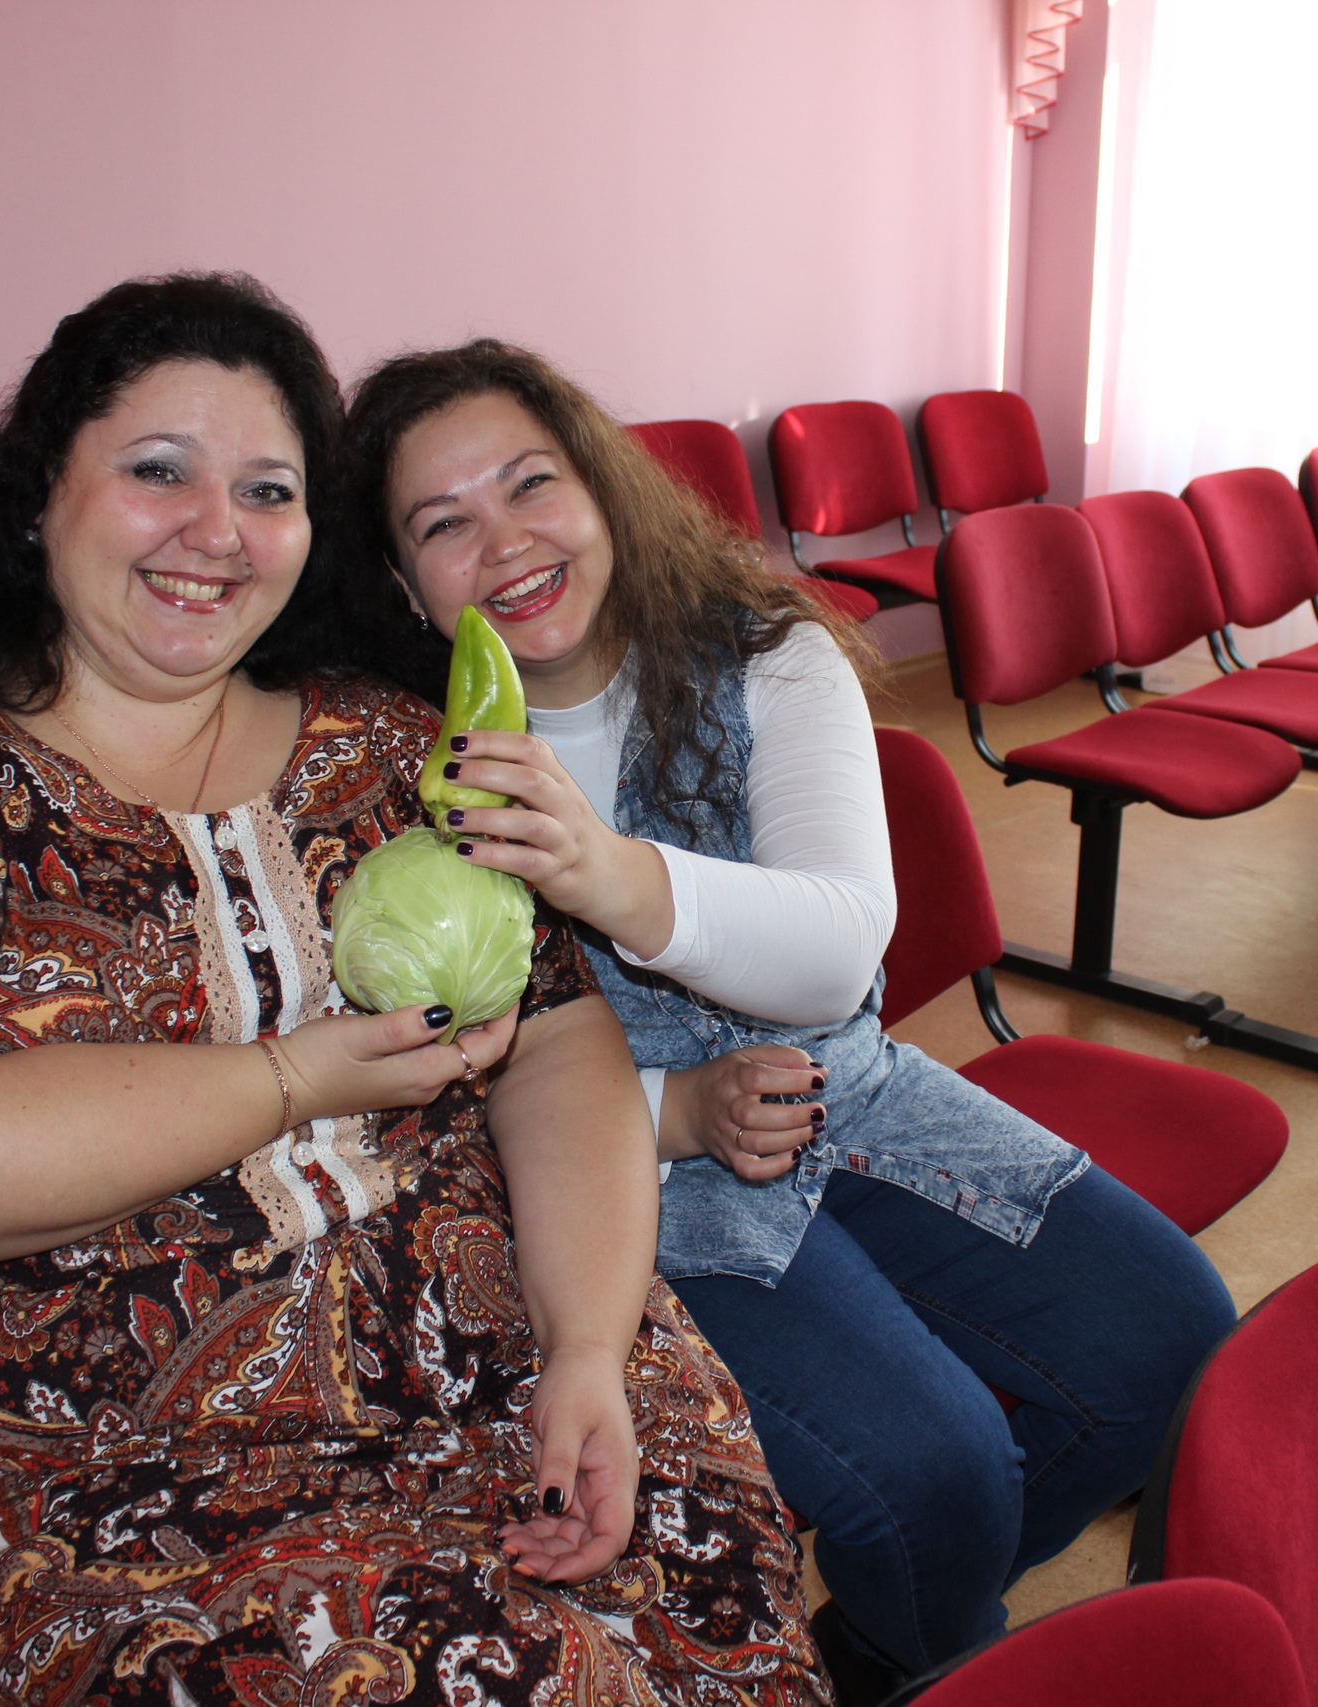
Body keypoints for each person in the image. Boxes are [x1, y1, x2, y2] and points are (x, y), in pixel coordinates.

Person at [0, 277, 823, 1707]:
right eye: (160, 471)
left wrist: (588, 1347)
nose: (217, 531)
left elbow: (557, 1043)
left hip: (510, 1363)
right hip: (97, 1478)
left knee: (717, 1604)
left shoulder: (389, 744)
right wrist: (294, 1078)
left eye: (268, 491)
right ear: (38, 498)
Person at [344, 341, 1240, 1701]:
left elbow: (836, 952)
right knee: (939, 1468)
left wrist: (609, 872)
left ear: (603, 487)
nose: (506, 543)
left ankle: (890, 1644)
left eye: (532, 484)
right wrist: (676, 1112)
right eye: (442, 524)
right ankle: (940, 1634)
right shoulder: (391, 754)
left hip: (845, 1083)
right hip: (627, 1176)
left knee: (1172, 1335)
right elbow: (433, 1073)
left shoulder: (765, 650)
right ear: (405, 584)